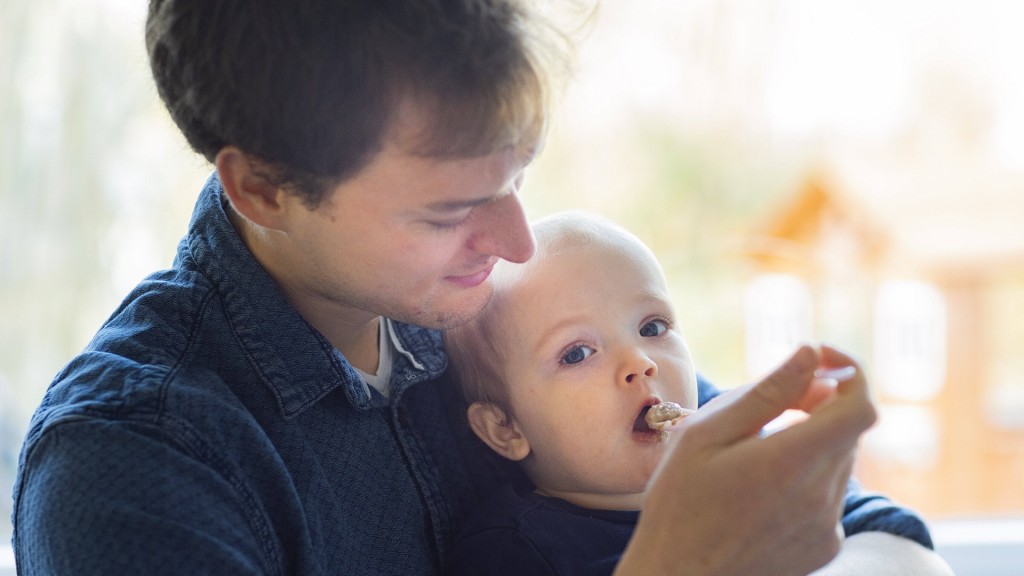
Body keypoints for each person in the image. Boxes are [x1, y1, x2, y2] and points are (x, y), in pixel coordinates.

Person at [10, 2, 951, 575]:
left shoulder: (489, 309)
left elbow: (884, 534)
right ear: (260, 188)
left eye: (520, 176)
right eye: (449, 209)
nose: (510, 241)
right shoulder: (129, 466)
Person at [442, 212, 951, 575]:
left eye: (652, 325)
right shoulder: (515, 551)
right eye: (577, 353)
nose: (639, 362)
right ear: (505, 428)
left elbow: (879, 525)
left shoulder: (729, 471)